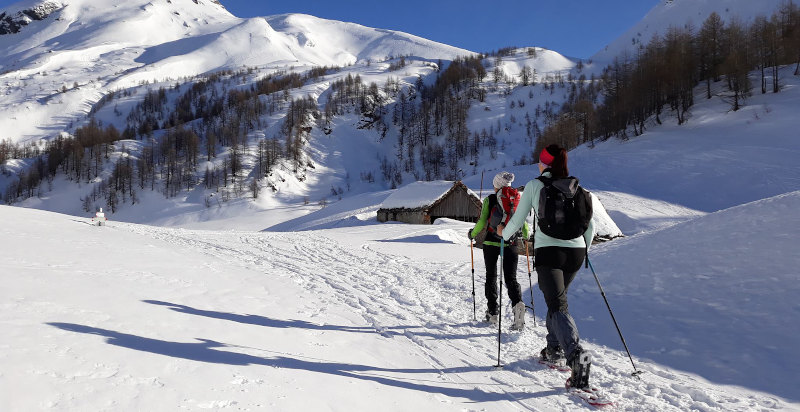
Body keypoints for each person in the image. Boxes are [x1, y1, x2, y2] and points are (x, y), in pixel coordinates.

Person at [498, 144, 595, 389]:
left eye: (540, 162)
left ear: (544, 164)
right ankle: (553, 348)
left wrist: (504, 235)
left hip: (549, 252)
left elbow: (518, 220)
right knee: (557, 300)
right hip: (576, 253)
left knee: (557, 303)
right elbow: (589, 227)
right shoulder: (577, 187)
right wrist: (585, 251)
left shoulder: (535, 186)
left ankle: (576, 356)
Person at [467, 172, 529, 330]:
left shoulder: (490, 199)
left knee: (491, 276)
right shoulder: (517, 198)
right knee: (511, 278)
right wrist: (526, 236)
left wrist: (472, 234)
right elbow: (522, 221)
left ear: (497, 185)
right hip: (511, 242)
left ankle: (493, 312)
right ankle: (518, 305)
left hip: (491, 242)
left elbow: (482, 221)